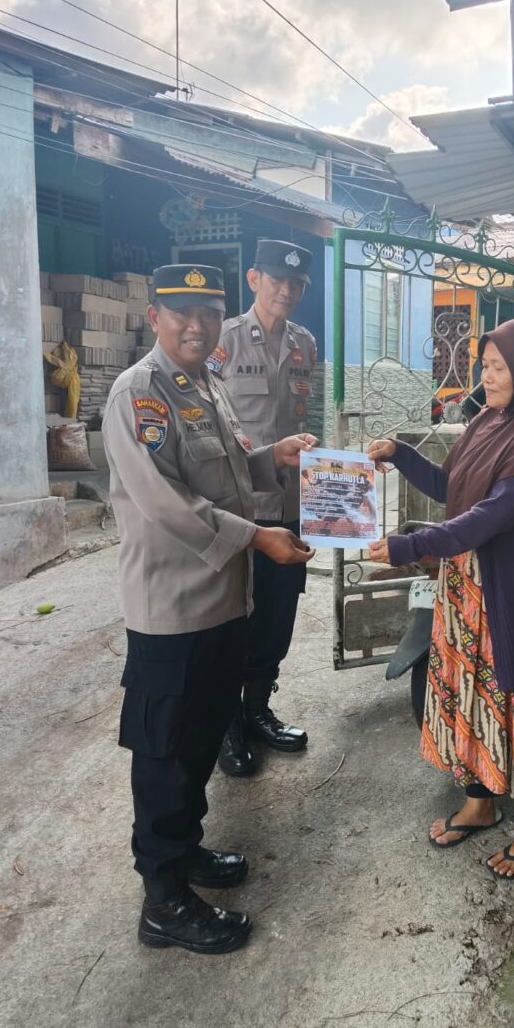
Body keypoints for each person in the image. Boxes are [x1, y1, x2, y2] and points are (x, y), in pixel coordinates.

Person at [102, 264, 315, 953]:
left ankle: (185, 851)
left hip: (224, 600)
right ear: (155, 317)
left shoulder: (206, 385)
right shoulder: (140, 394)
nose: (197, 325)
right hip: (172, 609)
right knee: (165, 751)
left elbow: (230, 467)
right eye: (182, 312)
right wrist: (258, 536)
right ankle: (162, 901)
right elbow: (167, 504)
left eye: (209, 313)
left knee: (199, 740)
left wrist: (274, 454)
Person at [367, 318, 514, 880]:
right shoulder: (488, 422)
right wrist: (400, 454)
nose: (485, 377)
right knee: (466, 695)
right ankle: (480, 801)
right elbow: (454, 489)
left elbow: (486, 518)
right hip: (466, 589)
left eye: (498, 367)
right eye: (483, 366)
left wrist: (408, 545)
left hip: (511, 600)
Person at [209, 240, 317, 776]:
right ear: (254, 279)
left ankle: (257, 709)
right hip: (242, 508)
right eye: (277, 279)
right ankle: (226, 722)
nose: (287, 290)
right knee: (237, 616)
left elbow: (299, 417)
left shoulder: (305, 344)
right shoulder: (223, 340)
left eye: (296, 283)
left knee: (278, 615)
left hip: (291, 504)